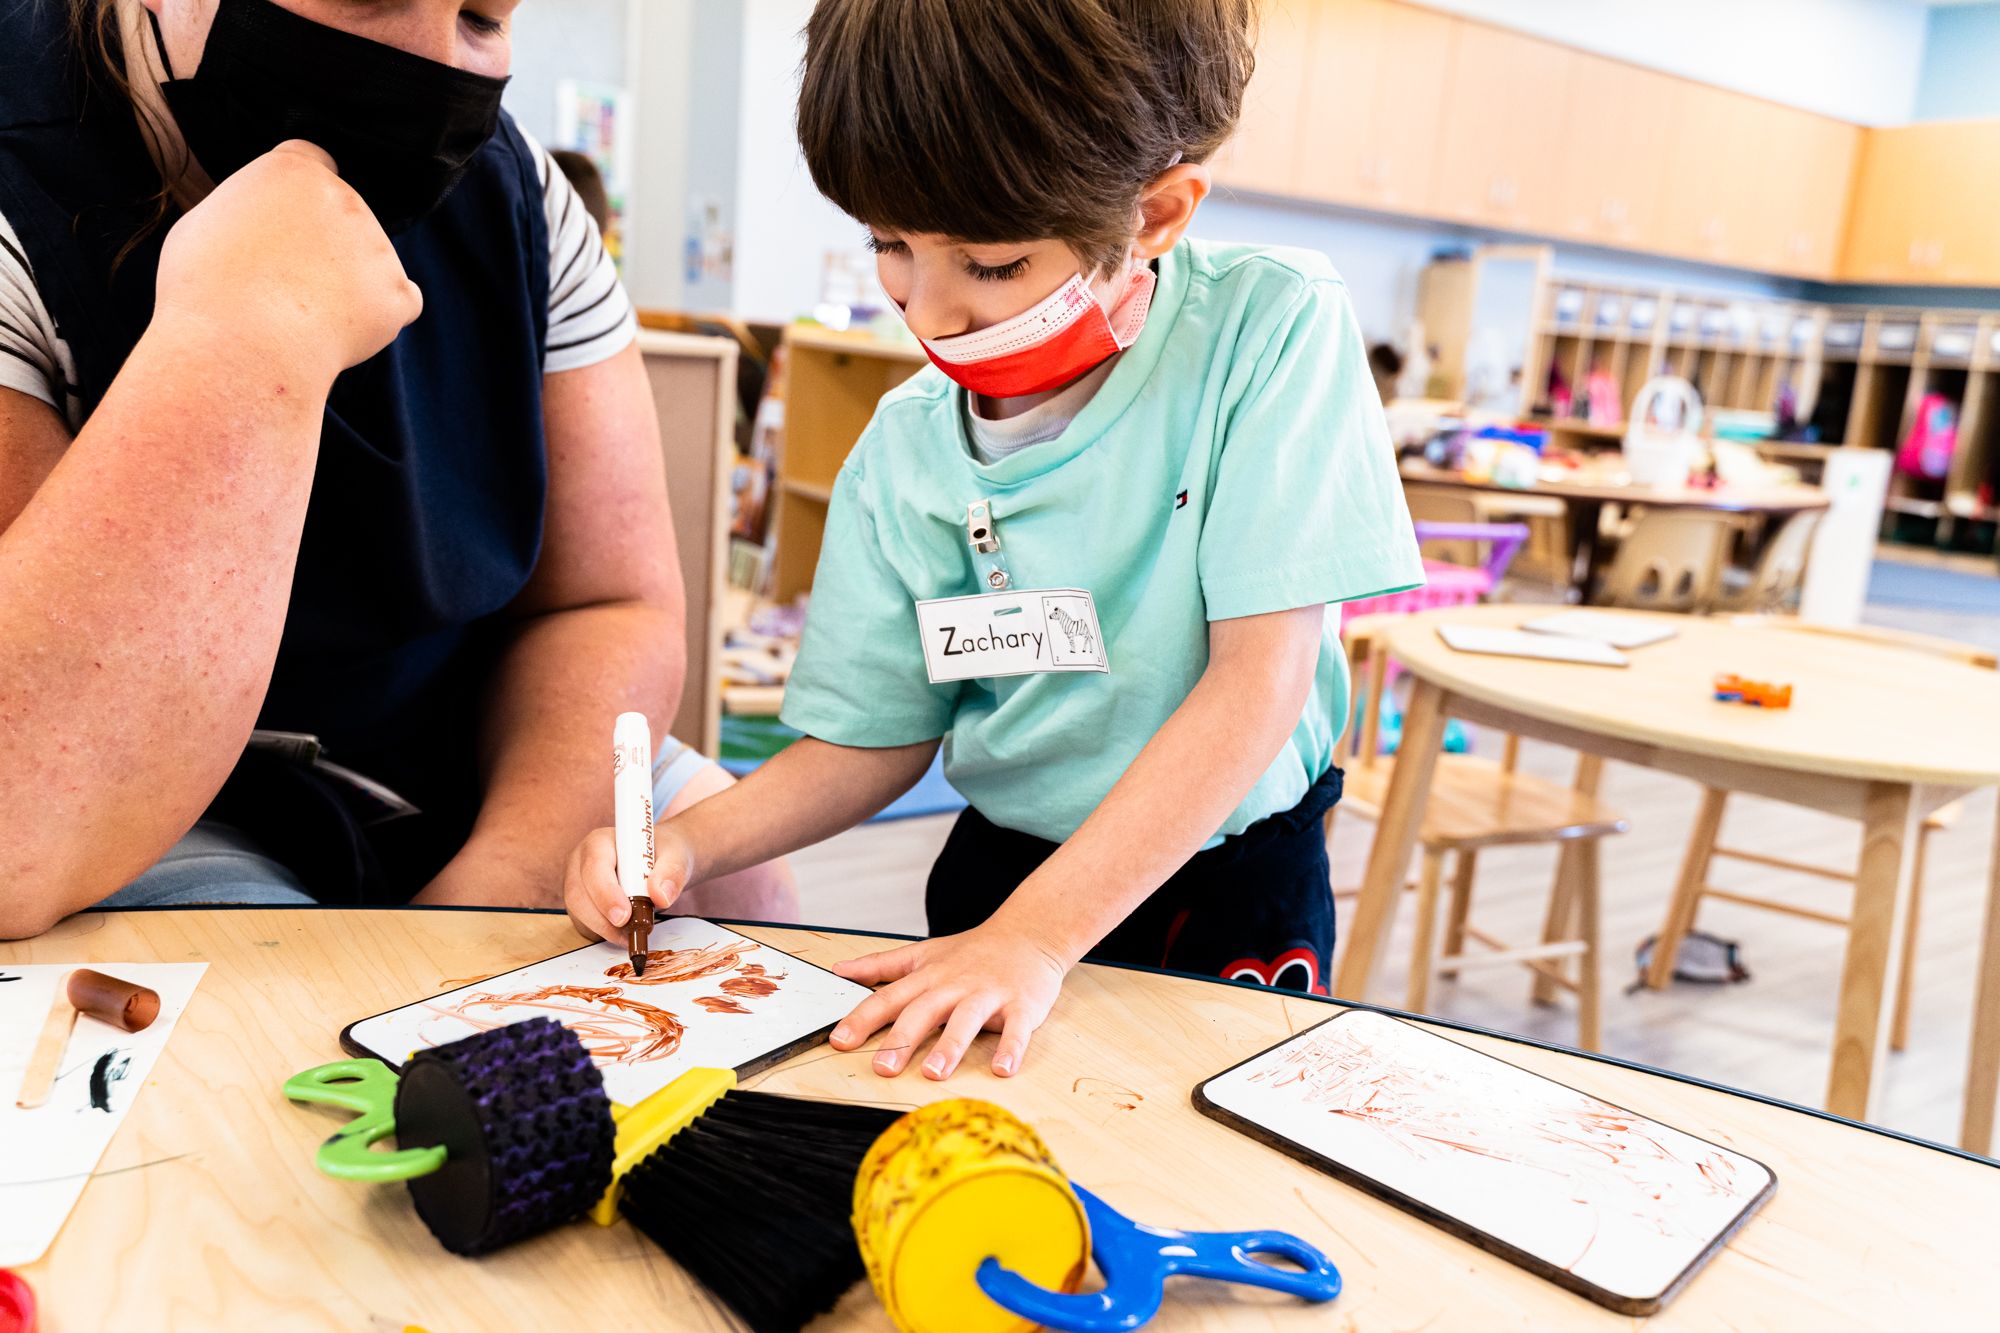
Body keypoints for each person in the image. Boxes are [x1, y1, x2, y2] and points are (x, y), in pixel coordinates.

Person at [564, 0, 1422, 1079]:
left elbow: (1258, 686)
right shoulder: (905, 448)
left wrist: (1040, 937)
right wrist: (689, 841)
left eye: (992, 265)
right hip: (995, 881)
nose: (929, 313)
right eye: (889, 244)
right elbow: (870, 738)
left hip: (1219, 884)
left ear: (1154, 214)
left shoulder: (1268, 329)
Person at [0, 0, 794, 937]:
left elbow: (608, 604)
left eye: (481, 16)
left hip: (461, 727)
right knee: (260, 990)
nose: (430, 58)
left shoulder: (524, 198)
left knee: (748, 892)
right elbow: (28, 817)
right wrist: (243, 341)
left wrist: (501, 894)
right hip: (166, 791)